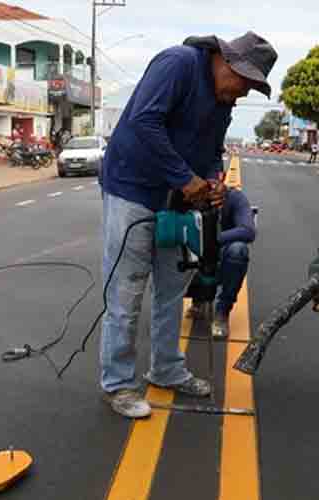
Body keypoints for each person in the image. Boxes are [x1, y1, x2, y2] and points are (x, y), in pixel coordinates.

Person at [100, 32, 277, 419]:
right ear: (227, 63)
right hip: (132, 189)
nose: (244, 94)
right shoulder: (177, 64)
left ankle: (165, 369)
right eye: (244, 83)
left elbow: (213, 151)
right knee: (127, 291)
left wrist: (212, 181)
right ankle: (118, 383)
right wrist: (184, 178)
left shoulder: (223, 100)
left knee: (172, 287)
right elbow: (144, 122)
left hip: (177, 200)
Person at [186, 186, 257, 338]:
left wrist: (212, 239)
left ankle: (222, 311)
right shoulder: (185, 194)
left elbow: (249, 231)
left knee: (238, 251)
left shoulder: (235, 197)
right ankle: (196, 299)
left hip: (221, 251)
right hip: (192, 252)